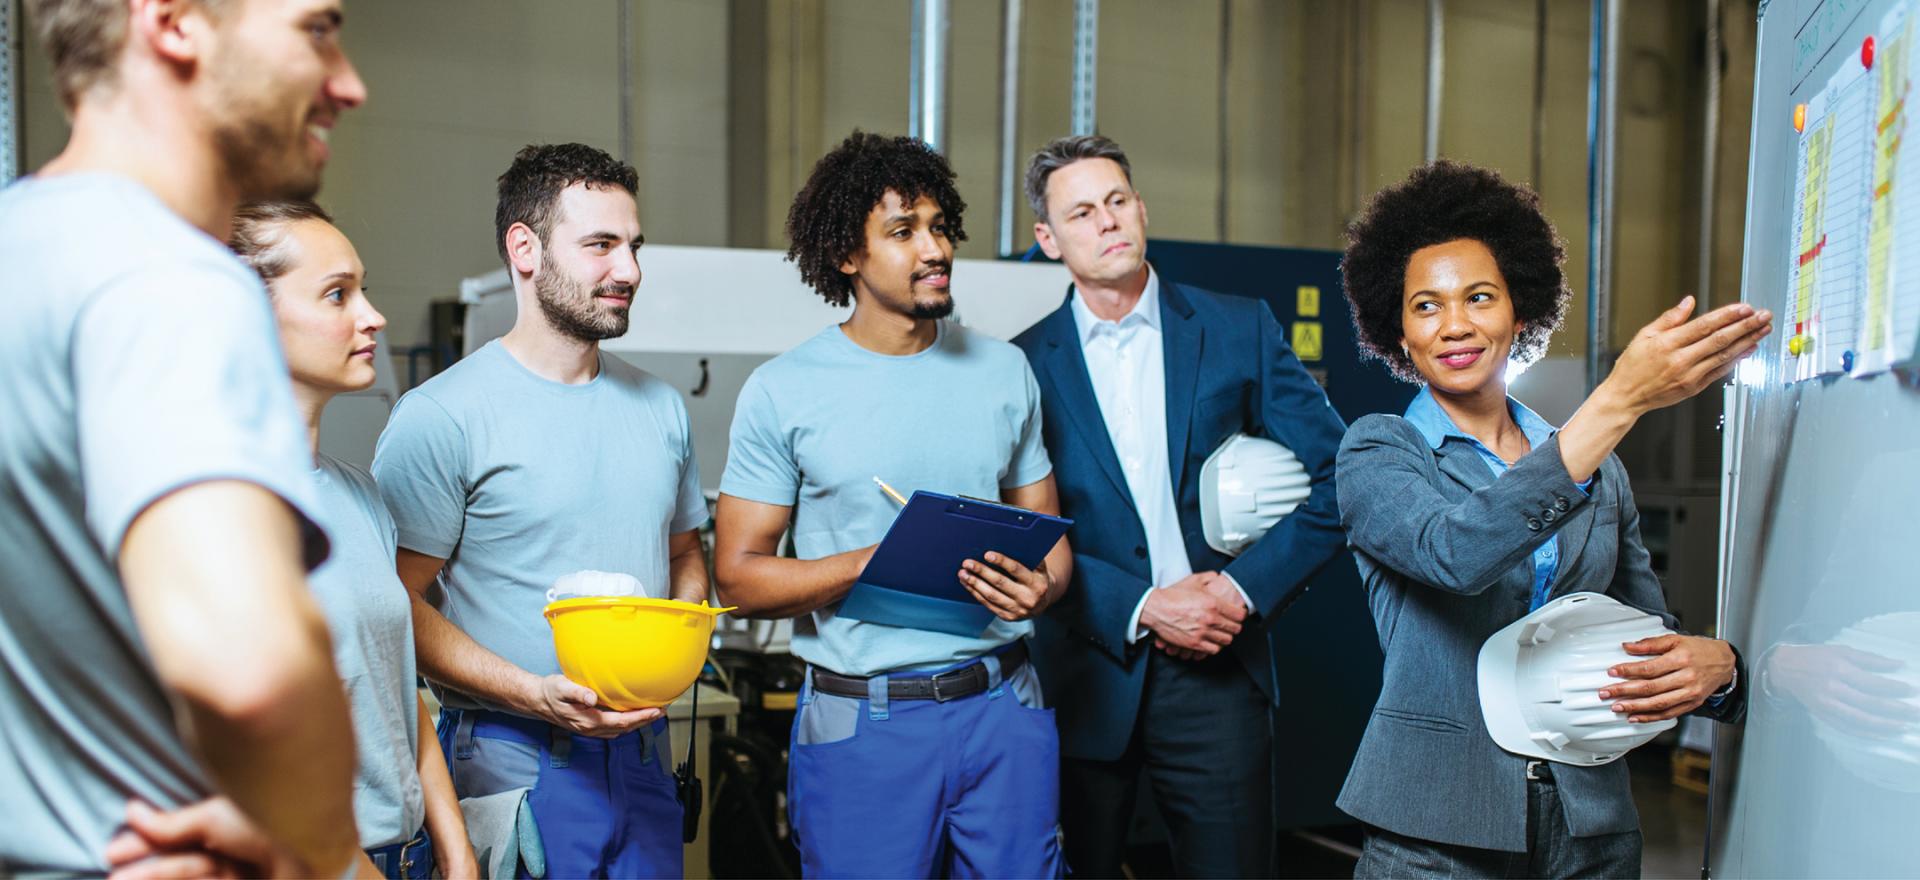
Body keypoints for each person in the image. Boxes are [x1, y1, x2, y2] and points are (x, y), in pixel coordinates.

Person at [1, 0, 366, 875]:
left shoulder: (22, 249)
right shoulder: (169, 280)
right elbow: (252, 671)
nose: (349, 83)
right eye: (316, 29)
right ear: (172, 23)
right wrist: (316, 857)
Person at [1334, 159, 1769, 877]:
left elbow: (1639, 633)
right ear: (1398, 333)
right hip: (1437, 834)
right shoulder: (1380, 451)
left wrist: (1715, 670)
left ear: (1521, 312)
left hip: (1590, 826)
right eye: (1426, 306)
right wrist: (1618, 401)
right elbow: (1457, 553)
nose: (1455, 325)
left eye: (1479, 297)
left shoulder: (1599, 469)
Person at [713, 130, 1072, 878]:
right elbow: (739, 579)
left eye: (939, 226)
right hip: (863, 724)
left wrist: (1044, 586)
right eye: (903, 231)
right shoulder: (784, 391)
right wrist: (875, 560)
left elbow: (1051, 548)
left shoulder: (1006, 372)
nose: (933, 248)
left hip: (1004, 709)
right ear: (848, 255)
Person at [1009, 134, 1350, 878]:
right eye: (1082, 212)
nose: (1106, 222)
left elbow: (1343, 476)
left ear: (1140, 207)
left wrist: (1239, 589)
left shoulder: (1239, 328)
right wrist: (1141, 605)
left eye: (1117, 201)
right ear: (1048, 238)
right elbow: (1021, 536)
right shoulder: (1021, 367)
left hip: (1219, 677)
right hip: (1086, 677)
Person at [373, 143, 707, 879]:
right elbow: (391, 603)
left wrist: (675, 650)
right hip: (512, 756)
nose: (630, 271)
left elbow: (686, 553)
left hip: (644, 755)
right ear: (524, 249)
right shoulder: (441, 417)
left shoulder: (661, 408)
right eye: (600, 246)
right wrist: (534, 694)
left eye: (633, 246)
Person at [223, 200, 479, 878]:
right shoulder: (216, 517)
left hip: (407, 854)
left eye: (361, 289)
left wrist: (454, 850)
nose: (372, 316)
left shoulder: (359, 495)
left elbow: (396, 692)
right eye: (338, 294)